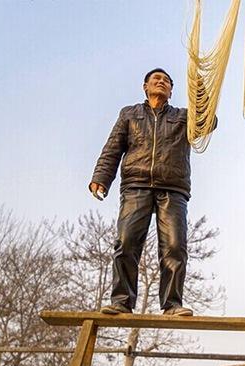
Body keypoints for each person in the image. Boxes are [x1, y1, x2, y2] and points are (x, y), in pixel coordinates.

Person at [89, 68, 211, 316]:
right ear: (145, 87)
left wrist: (200, 91)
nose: (161, 82)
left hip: (173, 188)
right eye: (156, 79)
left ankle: (172, 304)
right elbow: (113, 148)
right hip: (136, 185)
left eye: (166, 80)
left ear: (171, 90)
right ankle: (122, 302)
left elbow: (207, 122)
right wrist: (101, 177)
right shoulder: (130, 114)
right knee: (126, 242)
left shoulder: (182, 117)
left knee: (175, 247)